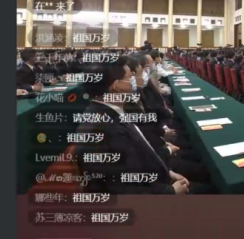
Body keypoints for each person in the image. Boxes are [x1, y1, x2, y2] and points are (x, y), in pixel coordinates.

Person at [75, 58, 191, 195]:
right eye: (130, 76)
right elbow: (121, 188)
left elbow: (141, 156)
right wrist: (171, 191)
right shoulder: (105, 129)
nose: (134, 80)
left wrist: (167, 171)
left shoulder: (111, 111)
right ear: (116, 86)